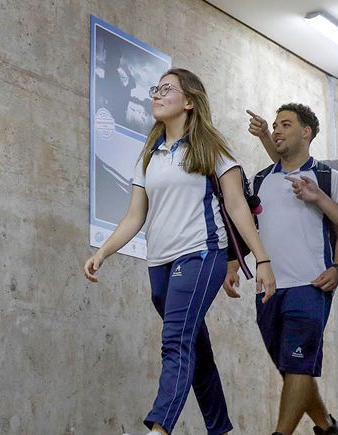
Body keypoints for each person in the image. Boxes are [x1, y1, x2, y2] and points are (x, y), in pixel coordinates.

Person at [84, 68, 276, 435]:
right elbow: (134, 216)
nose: (157, 94)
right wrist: (103, 252)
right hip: (159, 262)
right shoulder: (150, 155)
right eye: (156, 89)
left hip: (202, 255)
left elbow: (236, 206)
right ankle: (220, 428)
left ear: (189, 102)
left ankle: (159, 428)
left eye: (167, 89)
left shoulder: (212, 150)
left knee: (174, 341)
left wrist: (262, 260)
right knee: (193, 345)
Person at [230, 103, 338, 435]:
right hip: (268, 289)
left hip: (310, 286)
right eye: (275, 125)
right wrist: (232, 263)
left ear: (306, 132)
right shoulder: (259, 180)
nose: (277, 130)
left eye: (285, 124)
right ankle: (328, 427)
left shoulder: (328, 177)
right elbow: (247, 229)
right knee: (293, 368)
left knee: (298, 364)